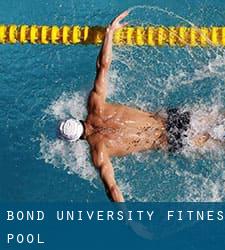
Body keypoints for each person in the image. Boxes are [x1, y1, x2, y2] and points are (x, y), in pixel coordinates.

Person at [58, 11, 210, 202]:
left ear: (76, 140)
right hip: (172, 118)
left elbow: (112, 189)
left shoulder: (99, 152)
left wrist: (129, 221)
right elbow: (103, 66)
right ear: (76, 119)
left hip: (171, 140)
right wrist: (109, 33)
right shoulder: (95, 105)